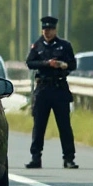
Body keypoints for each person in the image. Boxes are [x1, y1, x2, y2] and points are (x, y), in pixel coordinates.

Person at [25, 15, 78, 169]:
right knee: (39, 124)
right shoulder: (37, 46)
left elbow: (73, 64)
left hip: (59, 88)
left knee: (64, 125)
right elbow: (30, 63)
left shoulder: (64, 46)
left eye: (50, 29)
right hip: (43, 89)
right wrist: (47, 63)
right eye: (45, 29)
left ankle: (69, 158)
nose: (47, 32)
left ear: (55, 30)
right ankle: (36, 157)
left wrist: (63, 65)